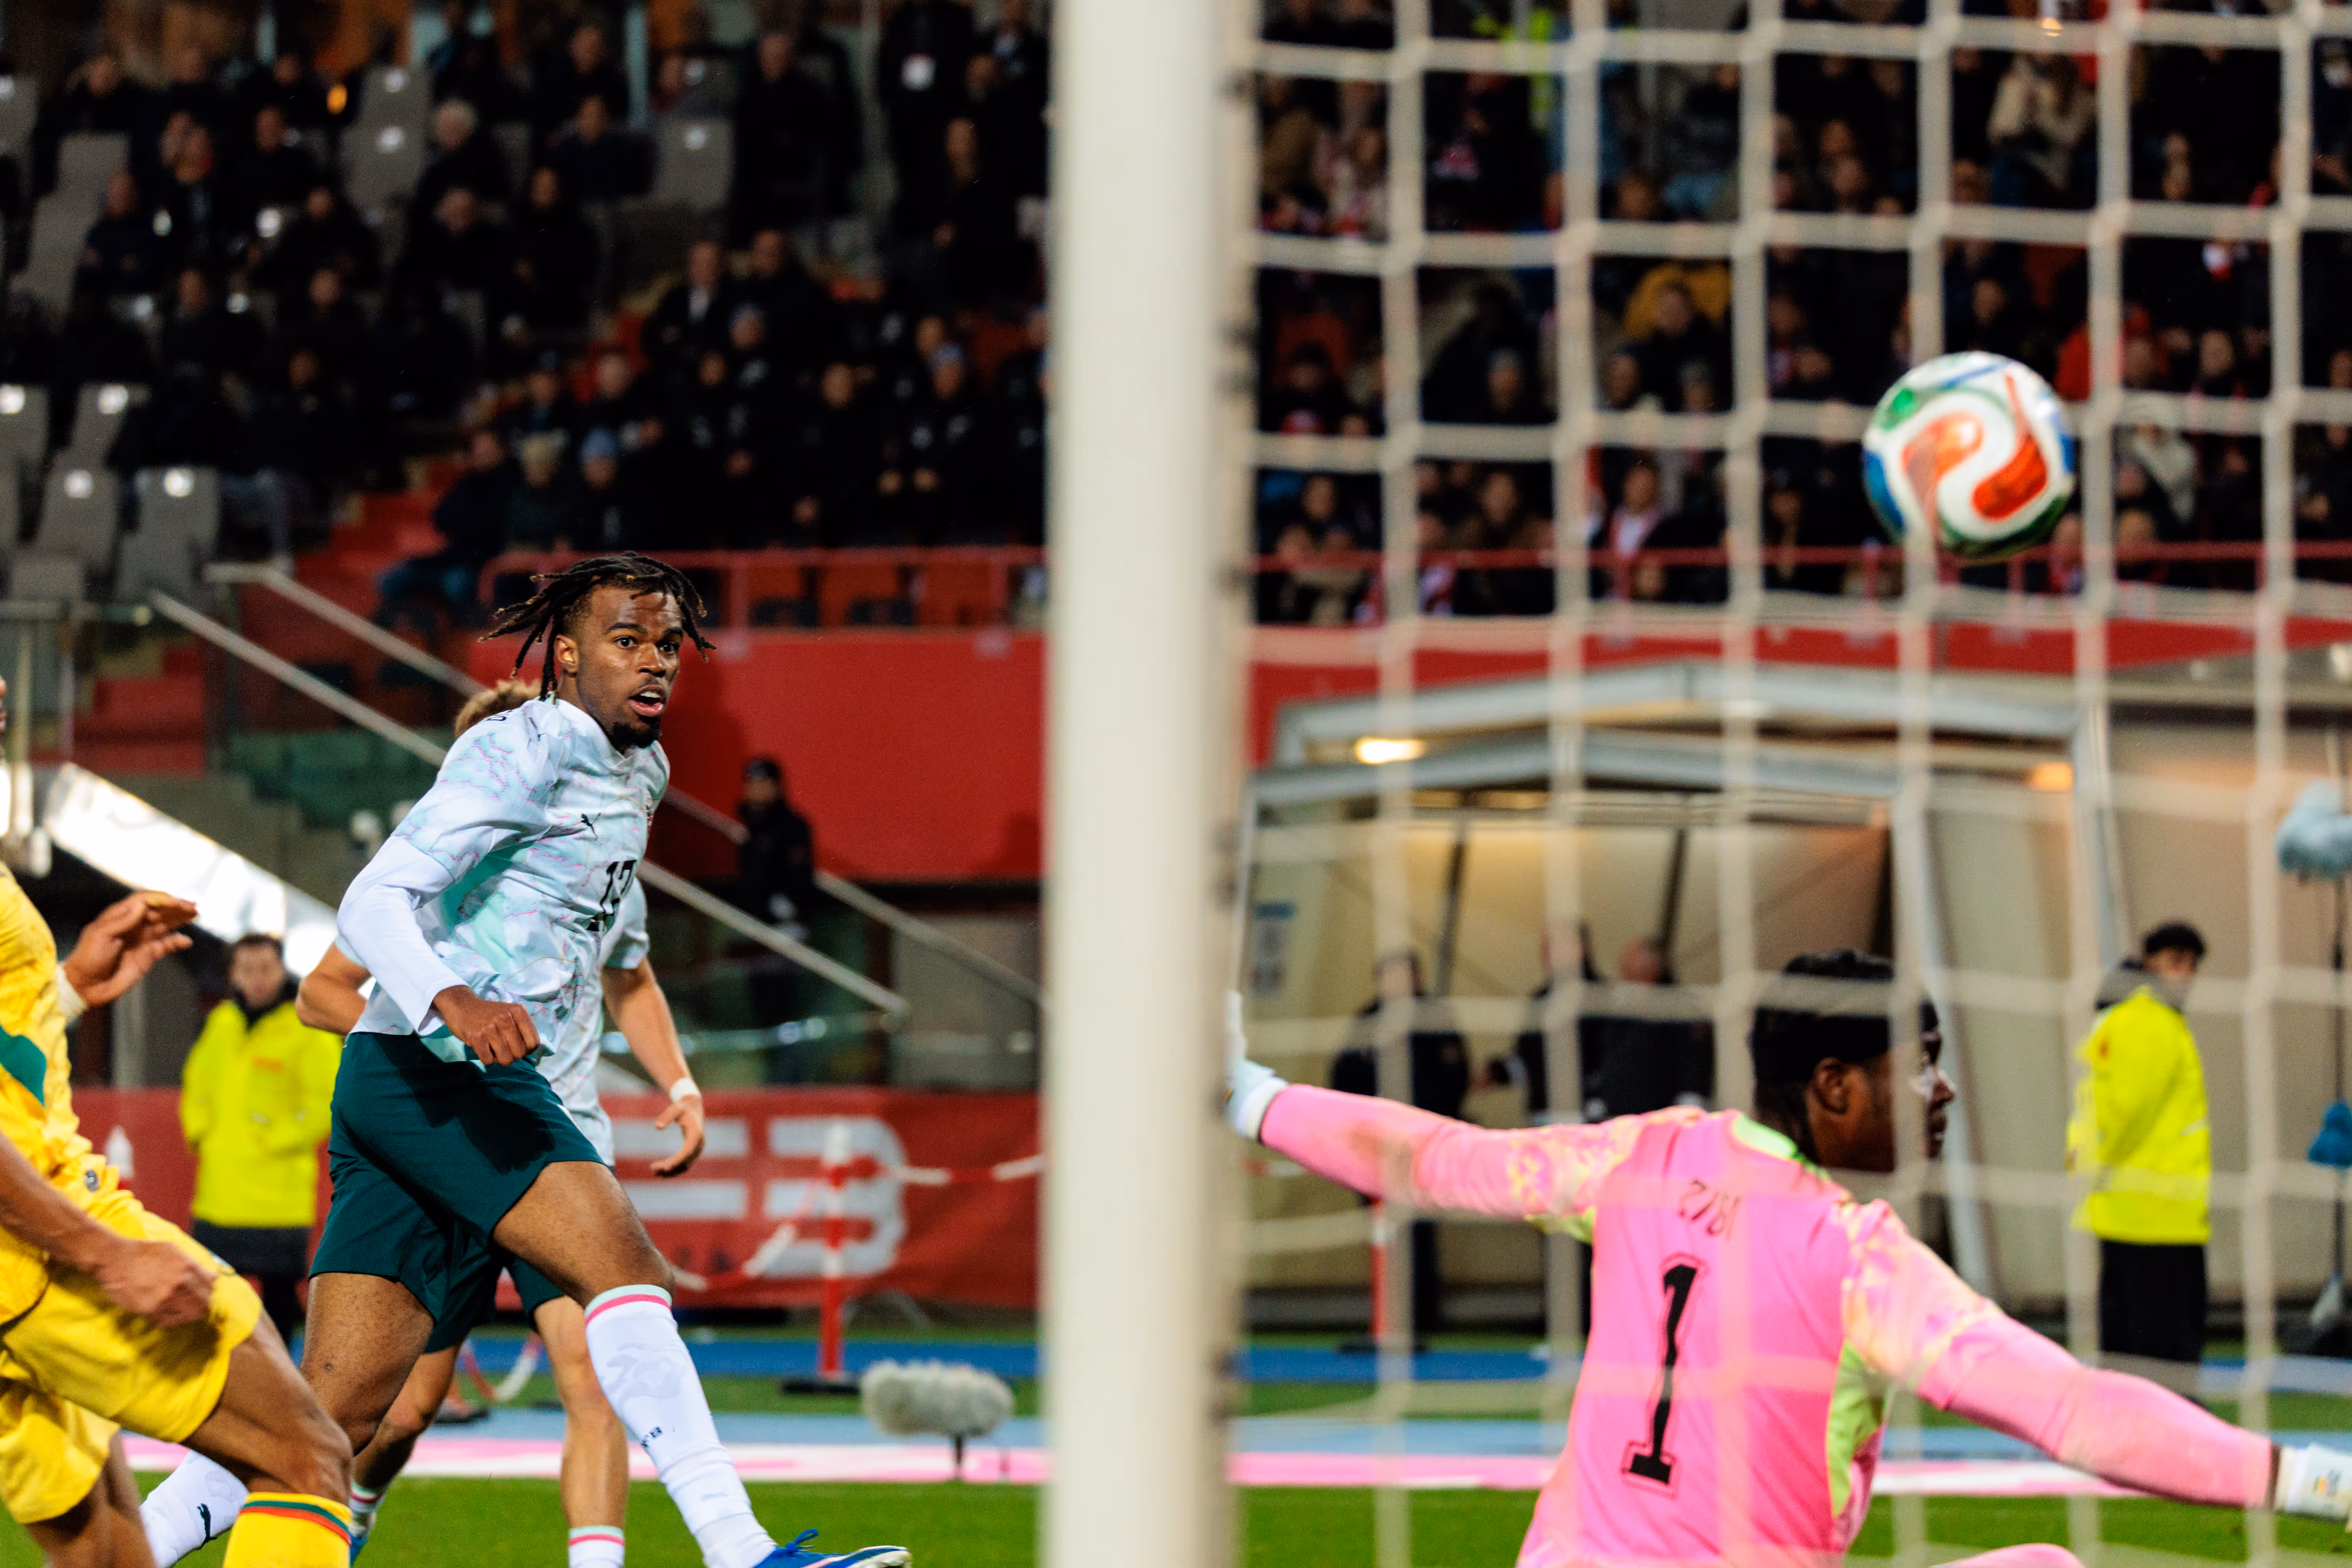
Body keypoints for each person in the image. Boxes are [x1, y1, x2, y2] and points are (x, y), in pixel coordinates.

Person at [1226, 950, 2352, 1566]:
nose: (1942, 1090)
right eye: (1919, 1065)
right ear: (1832, 1085)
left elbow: (1431, 1155)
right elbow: (2075, 1413)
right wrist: (2306, 1476)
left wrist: (1253, 1096)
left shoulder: (1645, 1156)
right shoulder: (1857, 1257)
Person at [280, 555, 904, 1568]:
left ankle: (145, 1543)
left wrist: (678, 1080)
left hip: (468, 1084)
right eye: (628, 640)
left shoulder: (636, 772)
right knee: (623, 1272)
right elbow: (368, 906)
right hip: (441, 1069)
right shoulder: (521, 743)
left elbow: (625, 969)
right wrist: (459, 999)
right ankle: (740, 1550)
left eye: (668, 645)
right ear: (563, 657)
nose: (656, 662)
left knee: (335, 1418)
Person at [142, 680, 710, 1568]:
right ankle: (338, 1506)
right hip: (443, 1139)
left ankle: (681, 1549)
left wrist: (679, 1085)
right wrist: (435, 1020)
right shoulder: (428, 879)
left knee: (594, 1371)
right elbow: (328, 989)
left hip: (552, 1145)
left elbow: (630, 979)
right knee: (387, 1410)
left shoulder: (602, 863)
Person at [0, 690, 353, 1567]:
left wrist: (69, 989)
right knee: (307, 1461)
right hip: (37, 1249)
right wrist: (106, 1254)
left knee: (109, 1555)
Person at [178, 933, 342, 1346]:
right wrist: (201, 1131)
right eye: (247, 969)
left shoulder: (307, 1025)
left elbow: (326, 1101)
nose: (257, 979)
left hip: (277, 1199)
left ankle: (280, 1395)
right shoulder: (221, 1023)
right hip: (218, 1193)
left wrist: (271, 1138)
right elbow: (197, 1083)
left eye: (266, 968)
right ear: (233, 974)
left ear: (283, 970)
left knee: (278, 1309)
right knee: (209, 1302)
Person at [2066, 920, 2212, 1366]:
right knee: (2162, 1359)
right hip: (2153, 1216)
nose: (2184, 974)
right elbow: (2124, 1111)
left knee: (2132, 1354)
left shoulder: (2134, 1016)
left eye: (2191, 965)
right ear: (2148, 963)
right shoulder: (2147, 1019)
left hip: (2140, 1212)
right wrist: (2092, 1165)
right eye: (2175, 961)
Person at [1329, 951, 1469, 1334]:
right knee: (1380, 1231)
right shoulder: (1366, 1020)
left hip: (1419, 1144)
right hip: (1372, 1146)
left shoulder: (1435, 1019)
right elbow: (1341, 1079)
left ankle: (1421, 1319)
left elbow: (1455, 1077)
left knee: (1417, 1232)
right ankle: (1386, 1319)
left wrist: (1422, 1125)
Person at [738, 756, 817, 934]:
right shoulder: (742, 822)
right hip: (747, 921)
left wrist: (789, 905)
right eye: (752, 783)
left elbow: (800, 875)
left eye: (764, 783)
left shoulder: (793, 825)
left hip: (785, 922)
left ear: (777, 786)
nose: (757, 789)